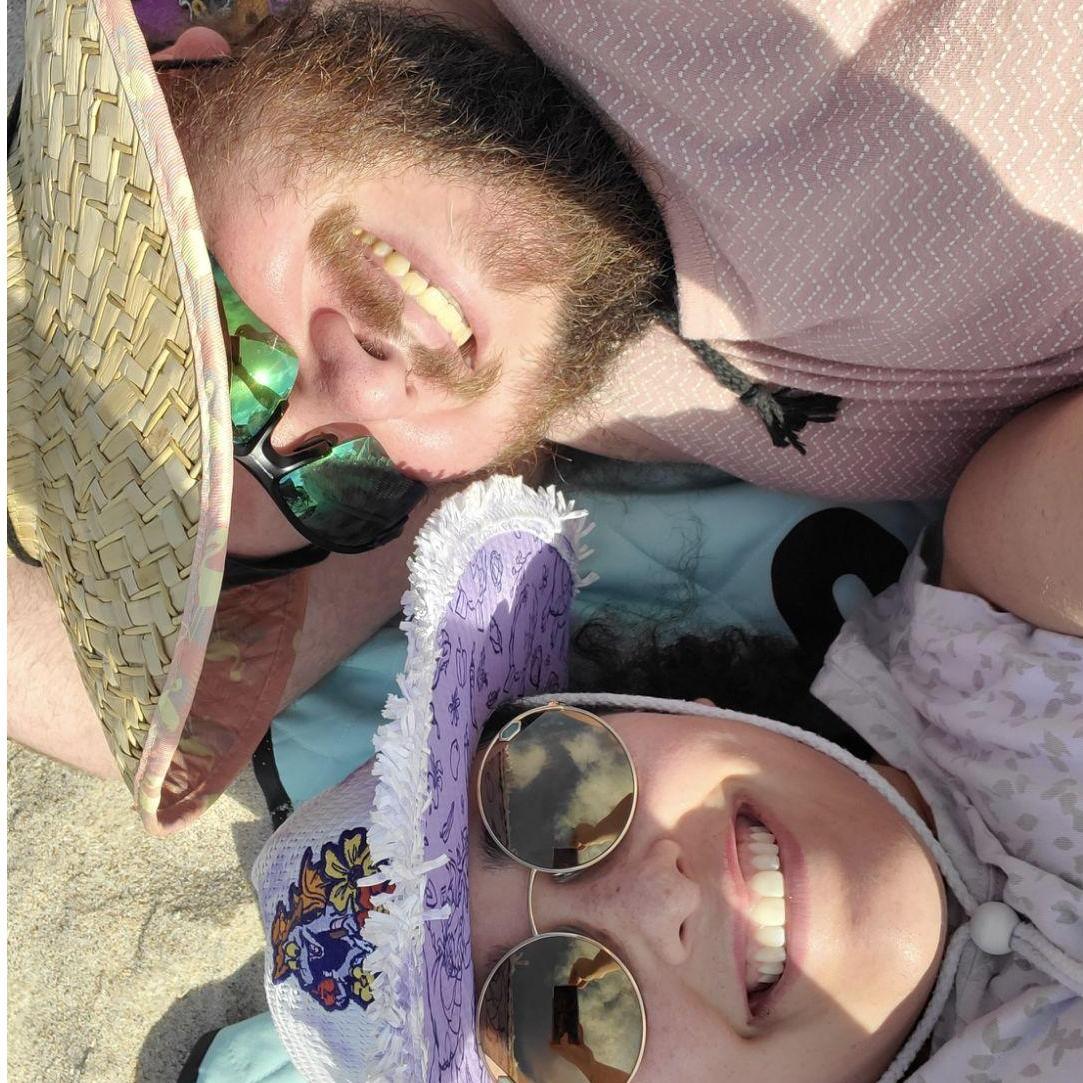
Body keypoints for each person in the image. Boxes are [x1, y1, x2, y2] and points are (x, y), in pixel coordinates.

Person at [9, 0, 1081, 813]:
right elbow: (132, 713)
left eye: (228, 348)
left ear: (177, 82)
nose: (373, 390)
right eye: (337, 481)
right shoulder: (560, 364)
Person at [186, 388, 1080, 1081]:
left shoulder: (1001, 604)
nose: (660, 899)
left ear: (656, 707)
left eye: (553, 787)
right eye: (564, 1023)